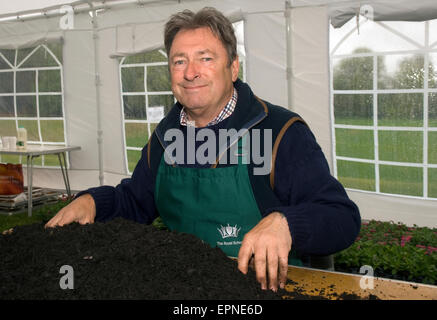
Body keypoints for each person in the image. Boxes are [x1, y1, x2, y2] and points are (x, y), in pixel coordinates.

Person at [46, 7, 361, 292]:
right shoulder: (165, 138)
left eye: (205, 58)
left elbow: (341, 217)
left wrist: (288, 222)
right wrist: (93, 203)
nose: (190, 72)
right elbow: (135, 201)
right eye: (179, 61)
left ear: (233, 68)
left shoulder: (280, 132)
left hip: (267, 290)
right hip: (184, 287)